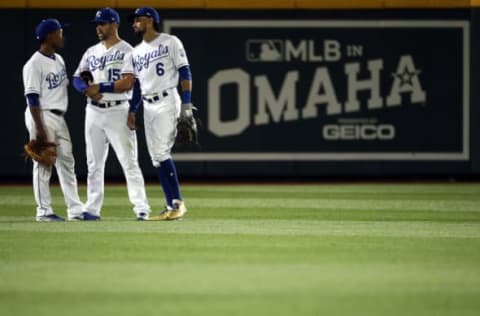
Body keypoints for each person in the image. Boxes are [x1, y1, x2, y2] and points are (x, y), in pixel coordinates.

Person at [72, 8, 151, 221]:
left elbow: (128, 83)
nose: (99, 27)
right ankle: (92, 208)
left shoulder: (128, 51)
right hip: (93, 112)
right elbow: (77, 78)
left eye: (103, 23)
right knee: (94, 164)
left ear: (114, 24)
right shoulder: (91, 51)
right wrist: (86, 89)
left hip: (118, 110)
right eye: (97, 24)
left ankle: (141, 207)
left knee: (129, 162)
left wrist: (100, 87)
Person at [129, 7, 192, 221]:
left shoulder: (170, 41)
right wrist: (132, 109)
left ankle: (177, 203)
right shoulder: (136, 52)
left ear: (150, 20)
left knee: (162, 153)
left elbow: (185, 71)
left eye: (138, 19)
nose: (134, 23)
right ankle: (170, 204)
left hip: (167, 100)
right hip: (147, 105)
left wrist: (186, 104)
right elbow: (137, 86)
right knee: (156, 158)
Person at [22, 18, 84, 221]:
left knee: (67, 162)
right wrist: (39, 128)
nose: (62, 36)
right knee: (43, 164)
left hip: (59, 117)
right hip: (41, 115)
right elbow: (32, 98)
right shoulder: (33, 64)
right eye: (59, 32)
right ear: (49, 36)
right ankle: (43, 211)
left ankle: (75, 210)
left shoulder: (59, 60)